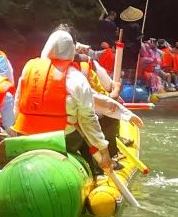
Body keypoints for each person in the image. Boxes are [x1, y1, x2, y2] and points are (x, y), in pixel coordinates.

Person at [12, 29, 142, 174]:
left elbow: (17, 106)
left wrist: (125, 114)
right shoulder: (76, 77)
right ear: (71, 52)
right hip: (61, 140)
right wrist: (103, 150)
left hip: (25, 135)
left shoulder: (28, 69)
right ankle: (94, 171)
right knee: (83, 129)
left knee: (81, 123)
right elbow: (89, 117)